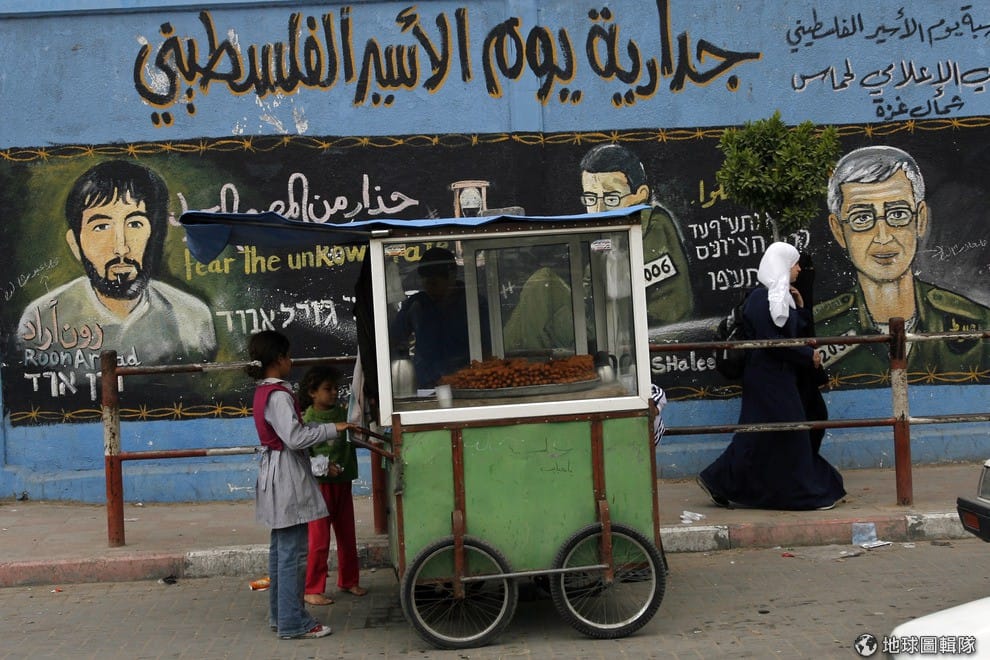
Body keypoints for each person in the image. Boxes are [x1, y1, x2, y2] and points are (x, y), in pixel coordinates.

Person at [816, 146, 990, 383]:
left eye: (898, 214)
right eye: (862, 218)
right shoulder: (819, 330)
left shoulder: (978, 324)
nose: (883, 237)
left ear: (920, 220)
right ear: (838, 231)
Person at [17, 160, 216, 364]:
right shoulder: (40, 322)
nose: (121, 248)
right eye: (101, 227)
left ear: (154, 235)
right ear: (75, 244)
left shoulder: (193, 318)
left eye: (135, 224)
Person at [697, 242, 845, 510]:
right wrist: (807, 356)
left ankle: (718, 480)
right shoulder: (760, 299)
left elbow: (792, 333)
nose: (798, 269)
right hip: (766, 378)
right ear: (782, 265)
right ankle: (805, 494)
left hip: (780, 377)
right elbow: (771, 342)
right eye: (794, 263)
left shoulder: (782, 298)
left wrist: (800, 307)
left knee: (759, 435)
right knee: (790, 434)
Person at [248, 330, 351, 640]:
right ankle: (293, 621)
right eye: (288, 356)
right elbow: (294, 438)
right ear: (278, 359)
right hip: (286, 475)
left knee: (282, 551)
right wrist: (332, 429)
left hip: (276, 471)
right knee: (292, 554)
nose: (291, 362)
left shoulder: (264, 392)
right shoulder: (278, 395)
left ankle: (282, 616)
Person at [579, 143, 694, 326]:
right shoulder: (609, 237)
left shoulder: (653, 227)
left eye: (612, 198)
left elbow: (620, 300)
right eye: (591, 199)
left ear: (640, 195)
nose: (599, 210)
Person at [300, 365, 367, 607]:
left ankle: (349, 580)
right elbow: (304, 457)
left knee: (347, 535)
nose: (334, 393)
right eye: (327, 389)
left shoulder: (344, 414)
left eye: (336, 388)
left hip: (342, 482)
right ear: (312, 392)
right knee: (319, 540)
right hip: (319, 487)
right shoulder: (307, 421)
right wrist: (323, 467)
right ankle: (312, 588)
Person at [390, 247, 476, 388]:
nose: (430, 289)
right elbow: (394, 339)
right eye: (426, 283)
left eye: (434, 283)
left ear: (452, 276)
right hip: (426, 384)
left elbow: (487, 346)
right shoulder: (417, 304)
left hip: (467, 382)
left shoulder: (472, 303)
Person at [794, 251, 829, 454]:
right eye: (801, 267)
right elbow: (794, 335)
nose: (803, 272)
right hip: (792, 370)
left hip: (802, 367)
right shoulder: (780, 298)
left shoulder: (797, 296)